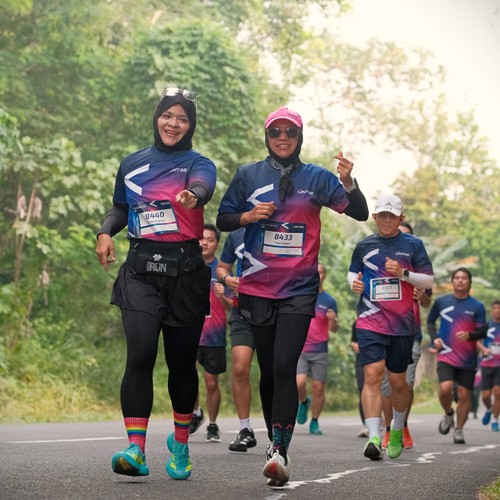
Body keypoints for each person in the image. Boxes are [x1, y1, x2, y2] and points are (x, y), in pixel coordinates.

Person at [216, 105, 369, 486]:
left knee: (285, 364)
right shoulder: (248, 174)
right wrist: (248, 217)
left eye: (290, 132)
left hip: (299, 290)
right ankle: (274, 441)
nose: (282, 138)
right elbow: (223, 218)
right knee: (269, 369)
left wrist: (348, 182)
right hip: (256, 287)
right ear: (267, 137)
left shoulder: (317, 178)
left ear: (300, 137)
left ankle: (280, 450)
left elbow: (360, 213)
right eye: (275, 132)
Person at [95, 87, 216, 480]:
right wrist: (105, 232)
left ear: (190, 125)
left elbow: (204, 185)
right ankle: (136, 449)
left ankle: (180, 445)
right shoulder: (132, 163)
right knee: (141, 354)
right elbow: (120, 207)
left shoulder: (198, 163)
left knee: (181, 365)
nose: (173, 124)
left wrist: (194, 196)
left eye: (182, 118)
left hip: (186, 275)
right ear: (157, 117)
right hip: (140, 272)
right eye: (168, 116)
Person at [348, 194, 434, 461]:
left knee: (398, 382)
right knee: (372, 375)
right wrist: (354, 284)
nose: (386, 220)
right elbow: (352, 272)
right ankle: (374, 437)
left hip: (402, 326)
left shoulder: (413, 245)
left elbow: (428, 281)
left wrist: (403, 274)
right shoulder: (364, 245)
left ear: (401, 218)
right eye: (382, 215)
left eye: (392, 216)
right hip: (370, 320)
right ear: (375, 217)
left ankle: (396, 428)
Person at [380, 221, 432, 450]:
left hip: (411, 332)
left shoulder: (420, 270)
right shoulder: (379, 264)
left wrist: (422, 297)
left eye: (405, 235)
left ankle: (403, 426)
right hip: (383, 330)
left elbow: (427, 302)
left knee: (406, 382)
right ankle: (388, 429)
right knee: (385, 385)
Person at [427, 267, 487, 444]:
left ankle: (459, 430)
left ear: (469, 282)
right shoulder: (442, 301)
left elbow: (483, 331)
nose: (460, 280)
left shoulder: (477, 306)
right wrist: (435, 339)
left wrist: (470, 335)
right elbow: (430, 321)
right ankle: (448, 413)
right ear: (453, 281)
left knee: (464, 395)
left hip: (468, 359)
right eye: (457, 277)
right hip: (446, 354)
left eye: (464, 278)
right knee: (445, 389)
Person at [215, 227, 259, 452]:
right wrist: (227, 278)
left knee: (275, 371)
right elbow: (222, 267)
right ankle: (245, 429)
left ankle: (277, 431)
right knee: (240, 369)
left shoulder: (281, 224)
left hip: (275, 310)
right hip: (242, 311)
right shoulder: (236, 235)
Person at [189, 224, 232, 442]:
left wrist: (223, 295)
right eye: (201, 238)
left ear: (217, 244)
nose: (204, 243)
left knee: (211, 382)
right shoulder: (189, 265)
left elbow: (232, 307)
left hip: (214, 335)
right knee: (188, 376)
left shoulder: (223, 271)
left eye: (210, 239)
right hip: (190, 331)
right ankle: (195, 413)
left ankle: (213, 425)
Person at [296, 263, 339, 435]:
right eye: (314, 272)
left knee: (318, 387)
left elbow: (334, 329)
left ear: (324, 276)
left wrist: (333, 320)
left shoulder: (329, 301)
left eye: (320, 273)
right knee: (299, 383)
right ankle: (304, 402)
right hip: (301, 348)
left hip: (320, 350)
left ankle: (314, 421)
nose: (317, 275)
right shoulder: (301, 295)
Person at [478, 299, 500, 431]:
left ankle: (495, 420)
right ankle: (490, 409)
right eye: (495, 308)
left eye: (499, 308)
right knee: (485, 396)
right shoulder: (486, 326)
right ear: (491, 310)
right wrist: (484, 349)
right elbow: (476, 340)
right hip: (487, 363)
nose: (497, 310)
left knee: (498, 393)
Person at [351, 322, 369, 438]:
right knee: (363, 389)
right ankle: (365, 424)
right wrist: (355, 346)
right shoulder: (356, 323)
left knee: (382, 391)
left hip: (377, 358)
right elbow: (353, 341)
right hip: (361, 361)